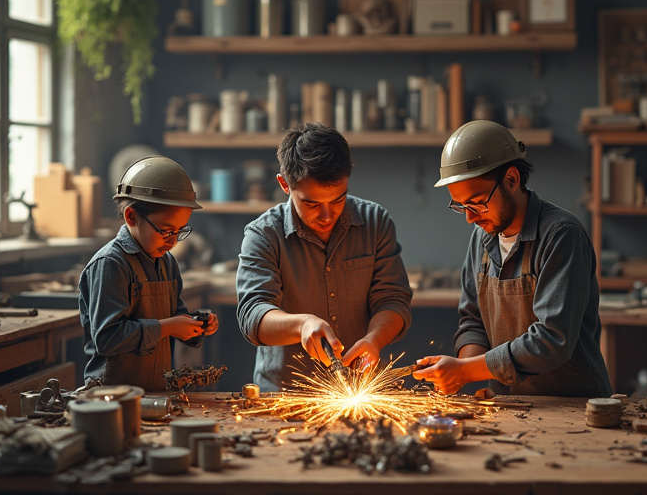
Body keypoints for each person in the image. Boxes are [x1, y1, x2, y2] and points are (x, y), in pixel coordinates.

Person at [413, 121, 612, 397]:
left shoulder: (562, 236)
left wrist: (467, 370)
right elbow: (473, 321)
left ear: (511, 180)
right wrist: (462, 371)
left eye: (477, 202)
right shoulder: (482, 237)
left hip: (572, 405)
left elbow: (552, 340)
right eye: (461, 206)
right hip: (508, 405)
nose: (470, 217)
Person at [236, 123, 413, 391]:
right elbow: (252, 316)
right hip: (287, 395)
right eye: (312, 204)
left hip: (361, 389)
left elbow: (393, 301)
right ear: (285, 184)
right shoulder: (263, 235)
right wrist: (302, 325)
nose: (328, 215)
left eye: (338, 200)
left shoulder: (376, 222)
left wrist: (375, 339)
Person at [78, 155, 219, 390]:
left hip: (156, 391)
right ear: (132, 217)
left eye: (180, 231)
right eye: (165, 231)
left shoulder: (167, 263)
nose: (173, 241)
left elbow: (176, 316)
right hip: (111, 397)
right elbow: (107, 338)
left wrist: (196, 326)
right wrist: (168, 326)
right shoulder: (111, 264)